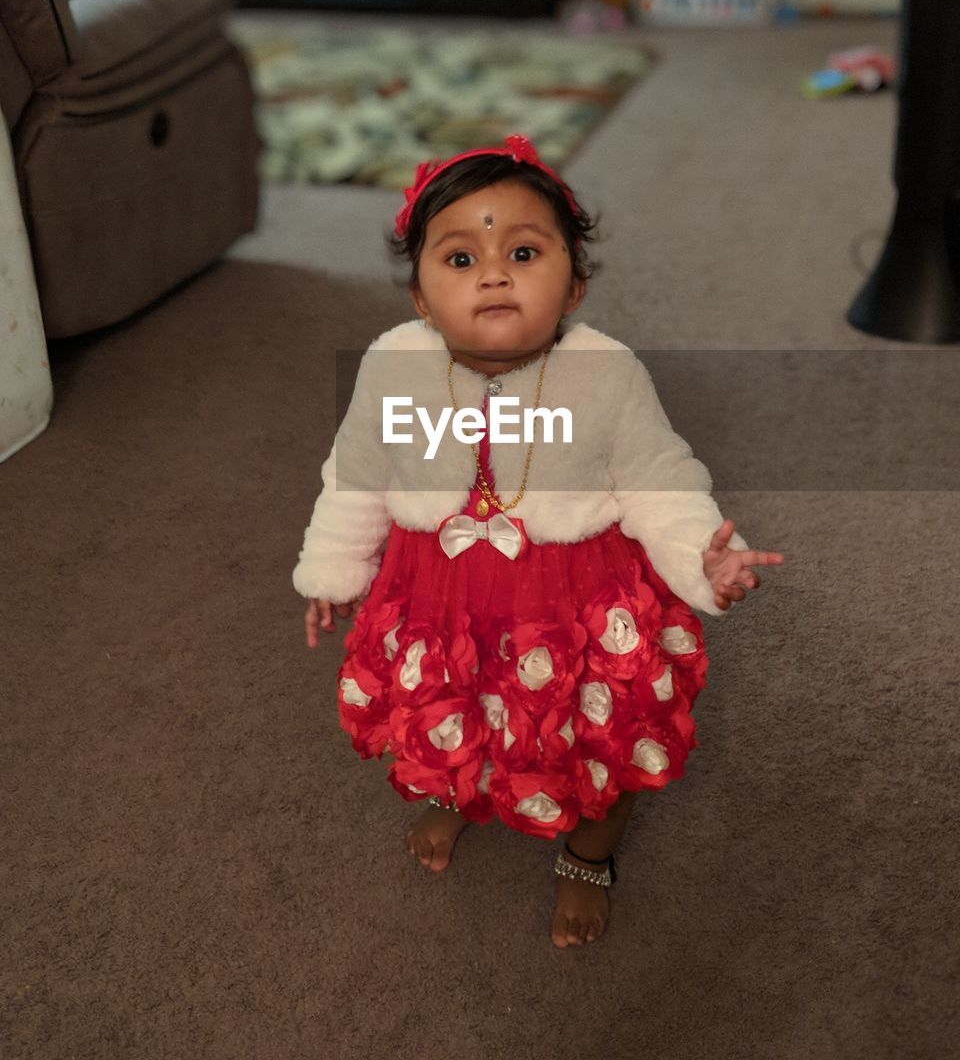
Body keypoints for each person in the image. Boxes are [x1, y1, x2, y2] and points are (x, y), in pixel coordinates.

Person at [293, 134, 783, 950]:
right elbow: (355, 476)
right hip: (441, 600)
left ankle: (589, 857)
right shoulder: (391, 367)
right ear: (419, 298)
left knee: (599, 739)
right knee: (451, 713)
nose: (492, 273)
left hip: (573, 602)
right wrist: (335, 570)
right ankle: (455, 796)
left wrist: (704, 556)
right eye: (458, 258)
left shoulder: (608, 373)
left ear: (576, 283)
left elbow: (659, 477)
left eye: (522, 251)